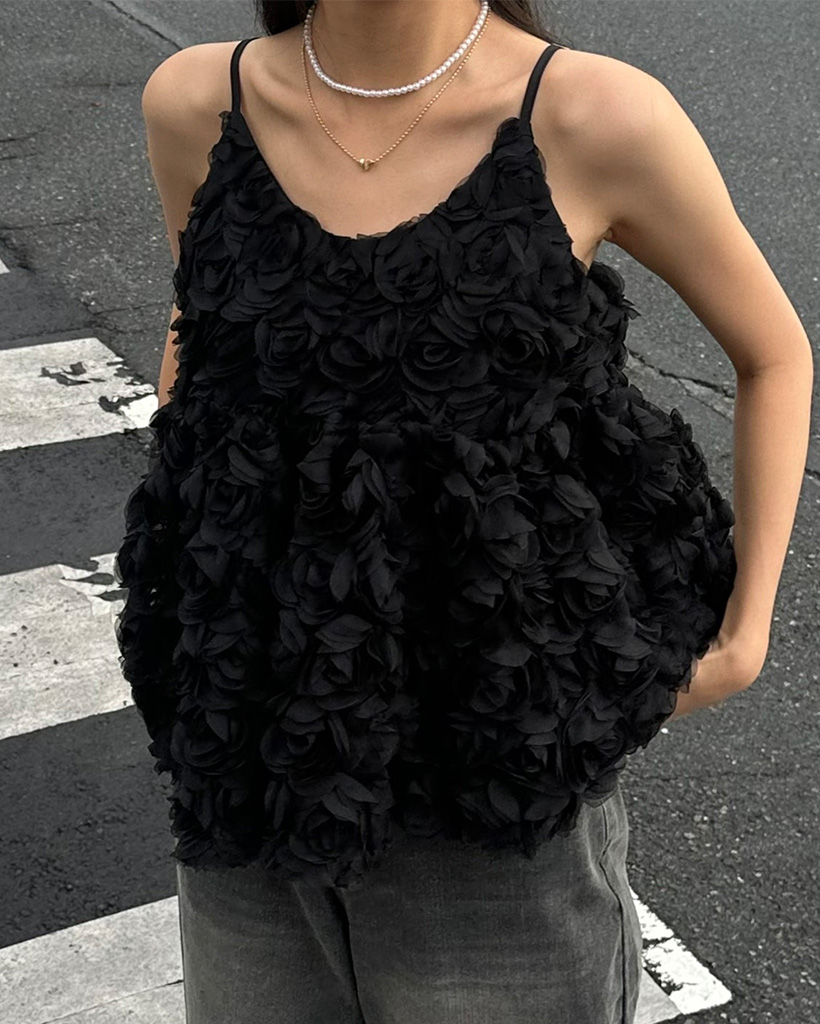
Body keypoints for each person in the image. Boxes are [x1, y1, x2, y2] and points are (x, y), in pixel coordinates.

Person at [113, 2, 813, 1022]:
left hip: (496, 761)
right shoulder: (195, 101)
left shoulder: (591, 114)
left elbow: (774, 353)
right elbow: (202, 349)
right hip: (255, 752)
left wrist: (744, 638)